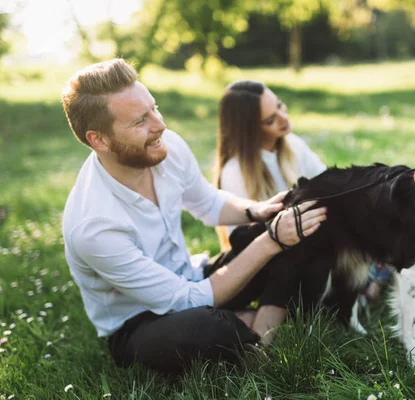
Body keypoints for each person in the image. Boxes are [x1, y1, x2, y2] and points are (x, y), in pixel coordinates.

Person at [60, 59, 327, 374]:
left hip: (193, 277)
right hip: (140, 323)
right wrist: (270, 242)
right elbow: (184, 300)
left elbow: (208, 203)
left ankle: (255, 339)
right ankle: (259, 326)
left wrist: (258, 211)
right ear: (99, 140)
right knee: (206, 328)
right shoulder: (93, 226)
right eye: (139, 121)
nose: (159, 125)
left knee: (286, 237)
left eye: (154, 108)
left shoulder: (164, 146)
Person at [212, 80, 327, 338]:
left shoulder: (293, 146)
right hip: (259, 265)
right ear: (250, 130)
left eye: (281, 106)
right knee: (289, 244)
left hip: (304, 258)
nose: (284, 119)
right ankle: (263, 337)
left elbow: (326, 186)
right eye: (270, 120)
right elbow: (241, 240)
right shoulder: (236, 171)